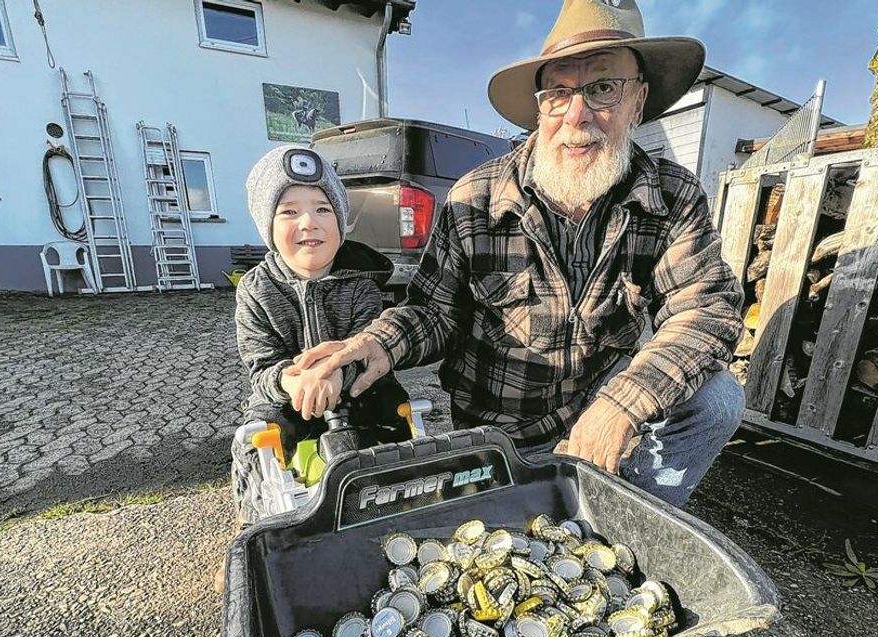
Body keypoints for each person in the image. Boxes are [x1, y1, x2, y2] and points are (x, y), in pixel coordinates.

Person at [295, 0, 745, 509]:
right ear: (540, 107)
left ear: (638, 102)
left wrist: (623, 404)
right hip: (498, 433)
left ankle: (625, 516)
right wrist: (375, 344)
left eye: (602, 88)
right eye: (558, 92)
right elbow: (435, 312)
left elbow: (705, 309)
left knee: (720, 400)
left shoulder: (671, 196)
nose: (577, 115)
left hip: (598, 420)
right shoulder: (475, 199)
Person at [231, 145, 410, 527]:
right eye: (290, 211)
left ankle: (406, 498)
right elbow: (261, 365)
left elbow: (368, 347)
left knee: (400, 412)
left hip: (361, 389)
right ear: (268, 226)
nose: (309, 222)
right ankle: (250, 528)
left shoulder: (364, 283)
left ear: (341, 221)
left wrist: (336, 374)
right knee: (252, 438)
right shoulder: (254, 289)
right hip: (289, 398)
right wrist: (289, 380)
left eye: (323, 209)